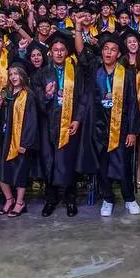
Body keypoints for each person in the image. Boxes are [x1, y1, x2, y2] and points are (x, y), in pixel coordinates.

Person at [87, 35, 140, 217]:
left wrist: (132, 131)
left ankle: (129, 198)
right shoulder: (95, 73)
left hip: (122, 127)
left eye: (113, 50)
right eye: (106, 49)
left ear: (118, 54)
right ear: (101, 52)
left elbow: (133, 103)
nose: (109, 52)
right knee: (102, 165)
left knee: (124, 165)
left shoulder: (126, 74)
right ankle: (108, 199)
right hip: (100, 127)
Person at [37, 37, 87, 218]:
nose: (58, 52)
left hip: (69, 123)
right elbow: (37, 98)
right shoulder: (42, 73)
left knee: (68, 161)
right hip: (48, 124)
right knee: (49, 162)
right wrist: (47, 95)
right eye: (55, 49)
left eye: (62, 49)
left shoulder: (76, 72)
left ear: (67, 52)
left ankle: (70, 198)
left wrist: (78, 120)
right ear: (50, 52)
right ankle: (50, 199)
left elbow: (83, 97)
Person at [0, 65, 38, 218]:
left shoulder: (28, 95)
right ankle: (9, 199)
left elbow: (32, 121)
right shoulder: (6, 94)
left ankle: (20, 203)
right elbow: (1, 118)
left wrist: (25, 143)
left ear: (23, 76)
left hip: (21, 140)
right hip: (6, 138)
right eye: (11, 74)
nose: (13, 77)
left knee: (20, 171)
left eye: (16, 74)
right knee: (2, 171)